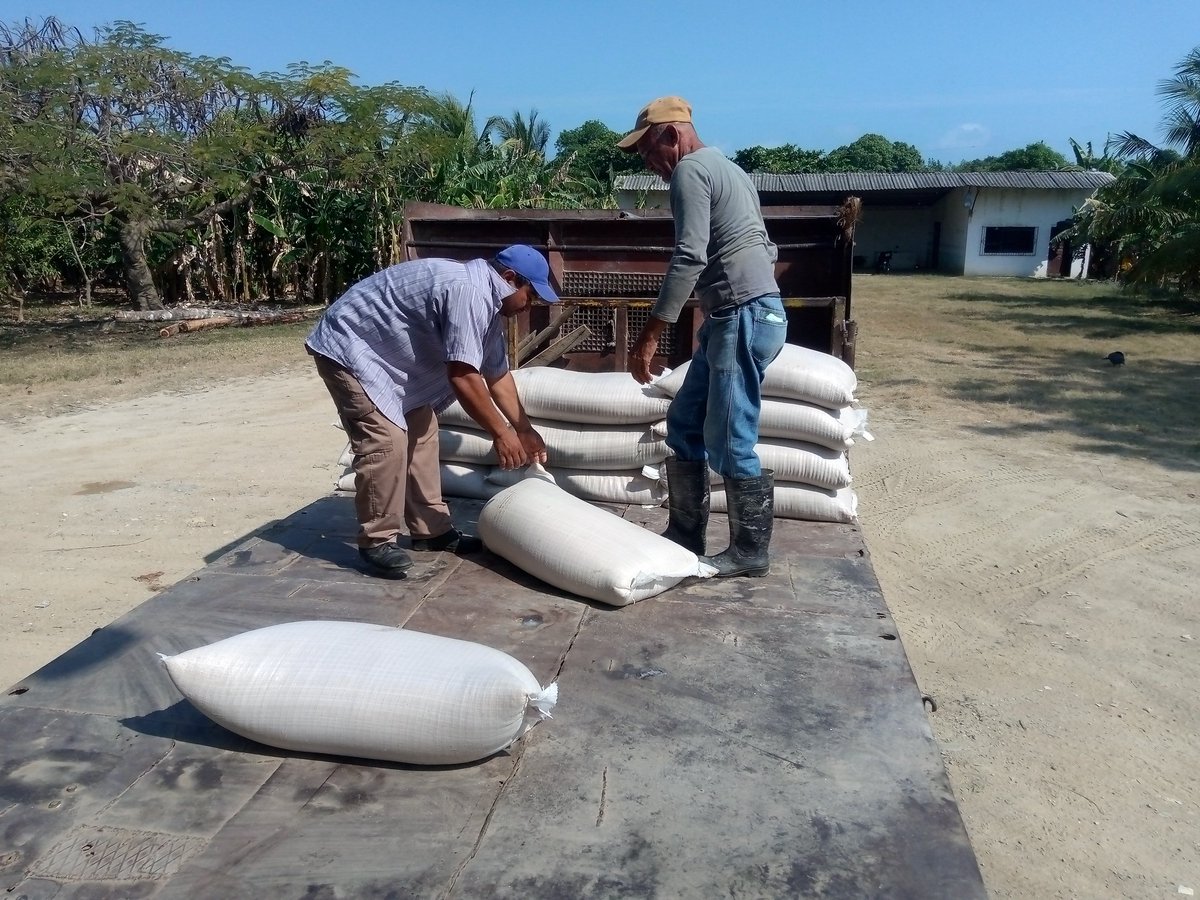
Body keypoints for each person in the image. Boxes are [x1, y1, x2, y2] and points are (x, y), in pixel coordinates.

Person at [306, 246, 557, 578]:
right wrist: (502, 433)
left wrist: (523, 428)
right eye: (530, 295)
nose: (529, 305)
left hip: (389, 360)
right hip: (352, 347)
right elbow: (463, 376)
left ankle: (431, 531)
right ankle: (377, 540)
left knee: (423, 434)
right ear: (510, 279)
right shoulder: (471, 292)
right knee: (387, 441)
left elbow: (496, 374)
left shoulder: (488, 305)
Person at [618, 96, 786, 578]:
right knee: (686, 421)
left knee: (730, 438)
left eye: (650, 151)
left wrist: (651, 332)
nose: (650, 166)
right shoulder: (731, 169)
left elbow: (689, 256)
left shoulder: (691, 171)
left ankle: (750, 551)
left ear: (672, 134)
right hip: (737, 315)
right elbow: (762, 244)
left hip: (742, 314)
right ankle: (687, 533)